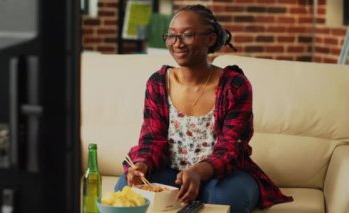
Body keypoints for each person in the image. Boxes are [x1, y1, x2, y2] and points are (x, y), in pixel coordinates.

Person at [115, 4, 293, 212]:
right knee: (126, 189)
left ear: (210, 39)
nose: (177, 43)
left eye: (187, 35)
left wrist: (198, 172)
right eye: (171, 36)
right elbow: (152, 139)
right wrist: (143, 164)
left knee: (222, 200)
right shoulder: (158, 83)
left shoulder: (234, 86)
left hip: (223, 176)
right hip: (171, 173)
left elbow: (231, 148)